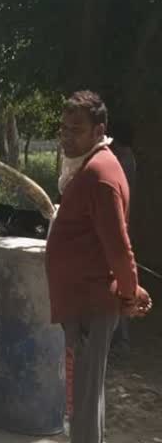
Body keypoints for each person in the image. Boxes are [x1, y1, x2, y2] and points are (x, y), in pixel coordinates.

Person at [46, 91, 151, 443]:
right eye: (63, 128)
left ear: (98, 130)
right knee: (87, 398)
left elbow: (119, 248)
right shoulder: (90, 168)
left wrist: (129, 292)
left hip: (89, 306)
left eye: (75, 130)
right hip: (83, 303)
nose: (65, 136)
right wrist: (131, 288)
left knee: (83, 402)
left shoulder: (98, 176)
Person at [108, 122, 136, 352]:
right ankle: (121, 336)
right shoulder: (130, 159)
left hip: (116, 225)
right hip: (122, 223)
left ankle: (121, 337)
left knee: (117, 280)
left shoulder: (118, 161)